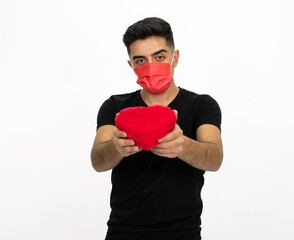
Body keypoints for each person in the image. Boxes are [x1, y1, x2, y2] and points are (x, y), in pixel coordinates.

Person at [91, 17, 223, 240]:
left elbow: (215, 158)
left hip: (183, 233)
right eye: (140, 60)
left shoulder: (201, 105)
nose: (150, 66)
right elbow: (97, 160)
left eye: (159, 57)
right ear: (131, 65)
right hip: (123, 233)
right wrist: (116, 147)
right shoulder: (115, 106)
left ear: (175, 58)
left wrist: (182, 146)